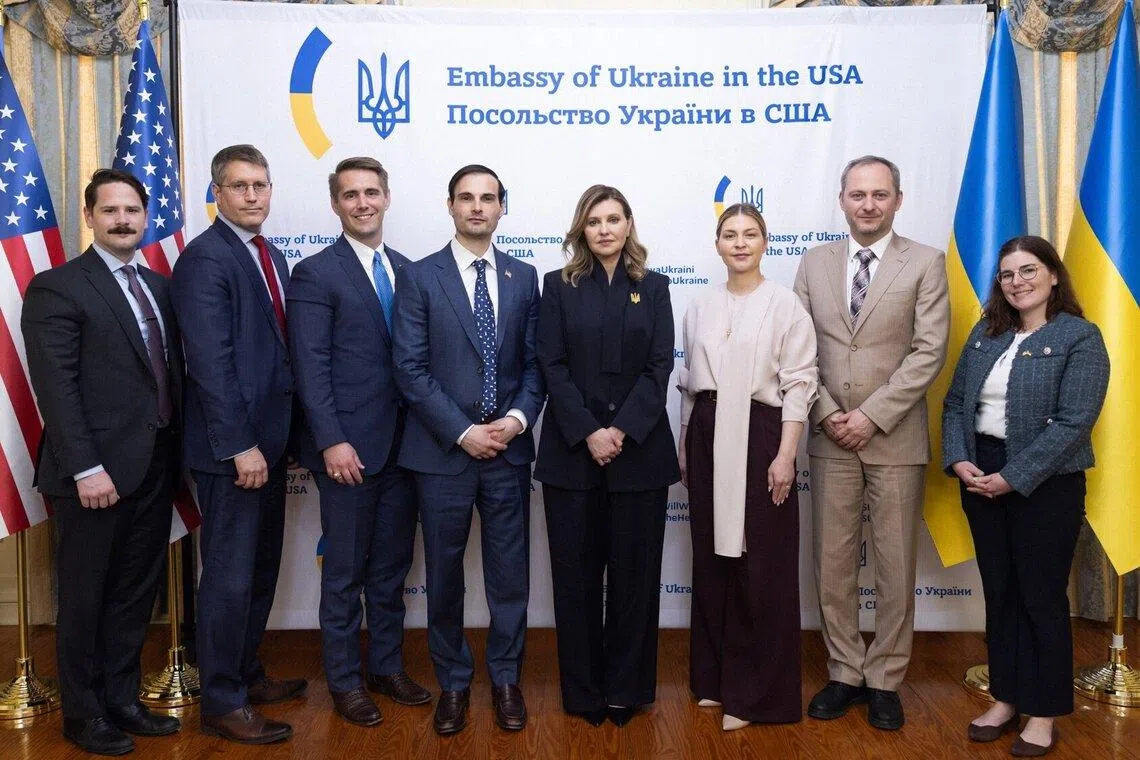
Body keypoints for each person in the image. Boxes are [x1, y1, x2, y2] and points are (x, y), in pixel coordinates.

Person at [22, 169, 183, 755]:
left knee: (135, 592)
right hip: (92, 475)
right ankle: (83, 714)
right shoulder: (57, 286)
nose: (123, 220)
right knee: (87, 594)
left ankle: (121, 699)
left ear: (145, 217)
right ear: (89, 216)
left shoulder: (160, 287)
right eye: (110, 210)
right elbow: (56, 388)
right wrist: (86, 468)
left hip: (154, 465)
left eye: (133, 210)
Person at [793, 155, 949, 730]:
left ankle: (885, 677)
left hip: (895, 439)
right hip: (830, 436)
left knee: (893, 565)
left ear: (898, 200)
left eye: (880, 195)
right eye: (858, 194)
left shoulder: (926, 263)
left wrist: (872, 416)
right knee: (832, 564)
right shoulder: (814, 263)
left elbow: (929, 351)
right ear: (841, 200)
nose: (868, 204)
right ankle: (844, 671)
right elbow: (799, 346)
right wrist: (832, 413)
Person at [391, 164, 544, 735]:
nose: (477, 207)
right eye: (466, 198)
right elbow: (409, 369)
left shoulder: (524, 277)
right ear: (449, 206)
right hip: (442, 455)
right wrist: (462, 431)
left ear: (503, 207)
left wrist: (515, 420)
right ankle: (453, 682)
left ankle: (506, 678)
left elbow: (535, 365)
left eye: (488, 198)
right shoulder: (420, 276)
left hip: (508, 451)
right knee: (446, 575)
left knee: (510, 575)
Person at [942, 235, 1108, 757]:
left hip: (1046, 484)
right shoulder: (985, 334)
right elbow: (953, 405)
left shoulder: (1080, 337)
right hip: (980, 474)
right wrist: (957, 458)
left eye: (1029, 270)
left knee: (1040, 597)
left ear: (1054, 275)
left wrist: (1015, 475)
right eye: (1008, 274)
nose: (1017, 282)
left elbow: (1075, 422)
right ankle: (1006, 697)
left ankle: (1043, 711)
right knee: (1002, 593)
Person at [287, 157, 430, 727]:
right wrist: (331, 441)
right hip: (347, 451)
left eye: (372, 192)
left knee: (391, 569)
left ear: (387, 197)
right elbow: (309, 366)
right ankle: (346, 680)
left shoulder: (409, 270)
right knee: (344, 573)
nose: (363, 203)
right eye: (351, 195)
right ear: (336, 204)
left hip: (407, 448)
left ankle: (386, 667)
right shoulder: (315, 273)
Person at [171, 144, 305, 744]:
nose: (252, 195)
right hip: (236, 454)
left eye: (261, 184)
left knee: (258, 569)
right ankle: (222, 700)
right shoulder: (205, 260)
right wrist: (239, 446)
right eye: (239, 186)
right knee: (227, 577)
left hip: (270, 447)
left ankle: (247, 673)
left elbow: (276, 356)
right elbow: (211, 364)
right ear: (217, 195)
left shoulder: (264, 254)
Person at [535, 185, 679, 727]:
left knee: (634, 581)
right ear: (581, 229)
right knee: (574, 581)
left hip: (639, 454)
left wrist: (619, 430)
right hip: (573, 454)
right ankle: (584, 694)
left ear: (628, 224)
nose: (604, 229)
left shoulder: (656, 287)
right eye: (594, 221)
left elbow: (659, 367)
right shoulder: (558, 287)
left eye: (613, 219)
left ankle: (627, 690)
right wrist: (591, 431)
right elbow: (551, 365)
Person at [679, 203, 818, 731]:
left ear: (766, 242)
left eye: (751, 234)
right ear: (716, 244)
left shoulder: (786, 307)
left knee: (761, 565)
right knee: (713, 562)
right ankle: (714, 681)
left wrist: (786, 455)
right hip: (709, 431)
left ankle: (756, 695)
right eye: (730, 234)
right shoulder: (699, 305)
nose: (740, 243)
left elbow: (799, 384)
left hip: (763, 435)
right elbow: (690, 383)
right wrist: (685, 444)